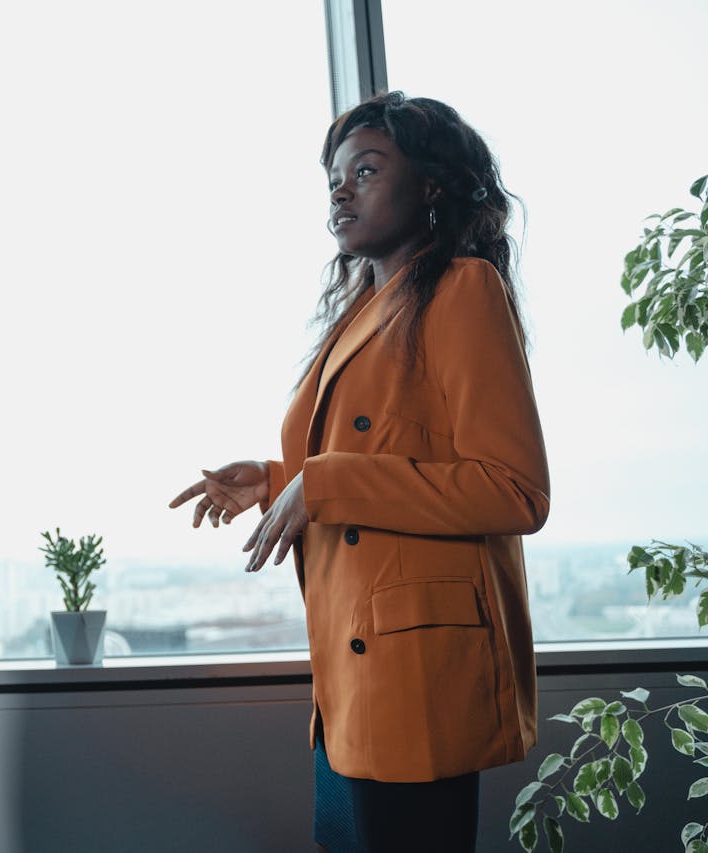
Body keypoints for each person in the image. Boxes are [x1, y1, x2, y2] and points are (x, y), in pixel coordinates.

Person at [169, 91, 549, 852]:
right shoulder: (362, 311)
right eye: (334, 178)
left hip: (416, 683)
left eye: (366, 170)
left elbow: (514, 487)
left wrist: (326, 481)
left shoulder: (463, 289)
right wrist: (279, 480)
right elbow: (377, 463)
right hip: (350, 682)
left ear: (431, 186)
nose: (341, 190)